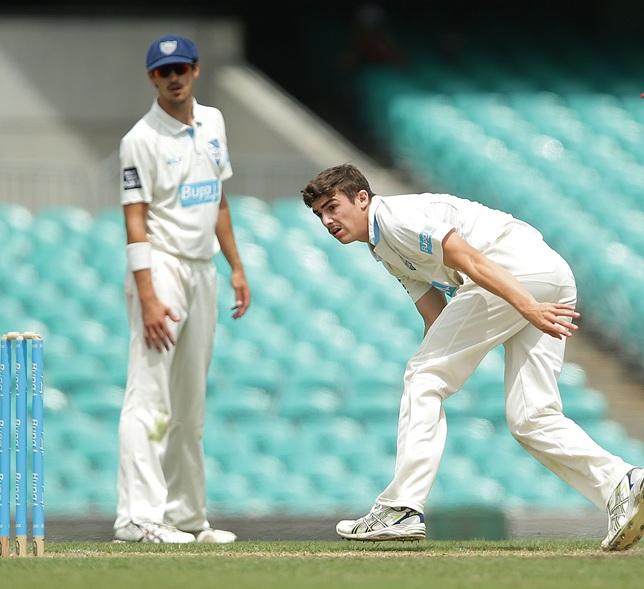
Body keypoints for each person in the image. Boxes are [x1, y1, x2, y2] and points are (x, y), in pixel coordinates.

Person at [301, 164, 643, 551]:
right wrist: (443, 366)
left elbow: (472, 260)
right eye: (320, 215)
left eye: (333, 207)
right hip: (547, 275)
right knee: (531, 417)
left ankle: (401, 508)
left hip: (515, 273)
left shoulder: (397, 218)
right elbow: (435, 316)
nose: (328, 220)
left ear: (362, 198)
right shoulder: (384, 249)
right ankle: (622, 483)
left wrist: (527, 306)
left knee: (424, 377)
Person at [114, 34, 250, 544]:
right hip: (163, 268)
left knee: (189, 404)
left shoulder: (213, 121)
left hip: (203, 270)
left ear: (195, 71)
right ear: (152, 78)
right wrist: (148, 295)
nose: (174, 78)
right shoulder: (139, 139)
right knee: (149, 398)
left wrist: (236, 266)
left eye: (182, 68)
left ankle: (187, 517)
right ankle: (138, 518)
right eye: (163, 71)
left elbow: (217, 201)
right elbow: (134, 221)